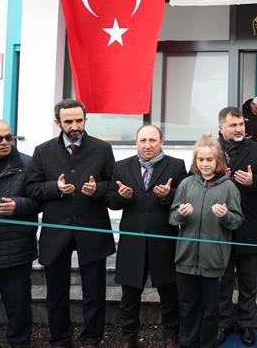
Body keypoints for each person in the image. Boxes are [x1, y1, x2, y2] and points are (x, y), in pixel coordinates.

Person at [25, 99, 116, 348]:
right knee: (56, 293)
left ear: (85, 119)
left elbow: (113, 186)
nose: (75, 125)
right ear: (58, 123)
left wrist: (98, 188)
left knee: (94, 292)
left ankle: (91, 340)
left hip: (93, 231)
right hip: (56, 233)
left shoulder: (102, 149)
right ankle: (60, 339)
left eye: (79, 120)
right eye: (69, 121)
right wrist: (54, 187)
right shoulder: (42, 151)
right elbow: (31, 188)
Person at [106, 125, 187, 348]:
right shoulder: (122, 167)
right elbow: (111, 201)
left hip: (164, 241)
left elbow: (184, 201)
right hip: (132, 242)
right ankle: (128, 338)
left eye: (152, 140)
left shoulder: (176, 166)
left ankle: (171, 336)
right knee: (129, 296)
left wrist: (167, 196)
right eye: (143, 140)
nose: (147, 145)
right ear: (136, 142)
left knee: (169, 294)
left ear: (162, 142)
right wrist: (122, 197)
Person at [169, 133, 243, 348]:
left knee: (211, 310)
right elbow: (172, 218)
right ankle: (187, 343)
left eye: (209, 159)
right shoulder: (185, 184)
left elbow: (237, 221)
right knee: (188, 306)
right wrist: (180, 214)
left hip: (214, 261)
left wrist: (226, 216)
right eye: (201, 159)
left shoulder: (229, 187)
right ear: (195, 161)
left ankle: (208, 344)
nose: (205, 164)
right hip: (185, 259)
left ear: (218, 161)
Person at [216, 107, 257, 347]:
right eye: (233, 125)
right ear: (221, 127)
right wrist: (215, 177)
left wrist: (253, 181)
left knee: (248, 280)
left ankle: (246, 323)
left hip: (248, 225)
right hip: (217, 227)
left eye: (241, 125)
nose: (238, 129)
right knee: (222, 280)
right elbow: (191, 178)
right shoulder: (209, 149)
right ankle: (223, 323)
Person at [0, 119, 40, 348]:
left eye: (8, 137)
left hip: (15, 251)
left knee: (19, 310)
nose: (5, 143)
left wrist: (18, 206)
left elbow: (39, 201)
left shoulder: (28, 164)